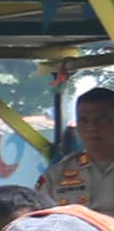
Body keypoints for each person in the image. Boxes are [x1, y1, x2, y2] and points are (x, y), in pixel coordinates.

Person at [39, 87, 114, 218]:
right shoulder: (56, 174)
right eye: (84, 120)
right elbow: (38, 220)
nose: (91, 127)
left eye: (101, 119)